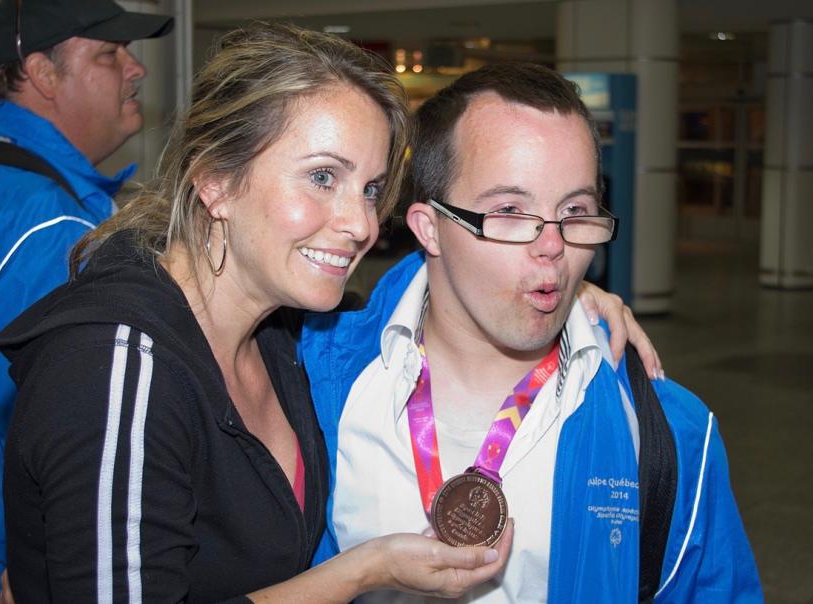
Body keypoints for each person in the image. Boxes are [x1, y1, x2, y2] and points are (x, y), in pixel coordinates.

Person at [0, 22, 524, 602]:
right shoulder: (118, 366)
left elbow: (419, 309)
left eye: (371, 189)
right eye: (323, 177)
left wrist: (569, 302)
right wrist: (363, 571)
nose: (362, 225)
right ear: (216, 180)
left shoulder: (282, 330)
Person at [302, 62, 763, 603]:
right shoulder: (312, 382)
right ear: (430, 228)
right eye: (510, 211)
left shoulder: (668, 432)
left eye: (574, 210)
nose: (553, 246)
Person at [0, 0, 173, 592]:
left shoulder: (14, 190)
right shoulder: (52, 227)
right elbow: (63, 428)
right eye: (107, 54)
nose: (136, 69)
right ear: (43, 73)